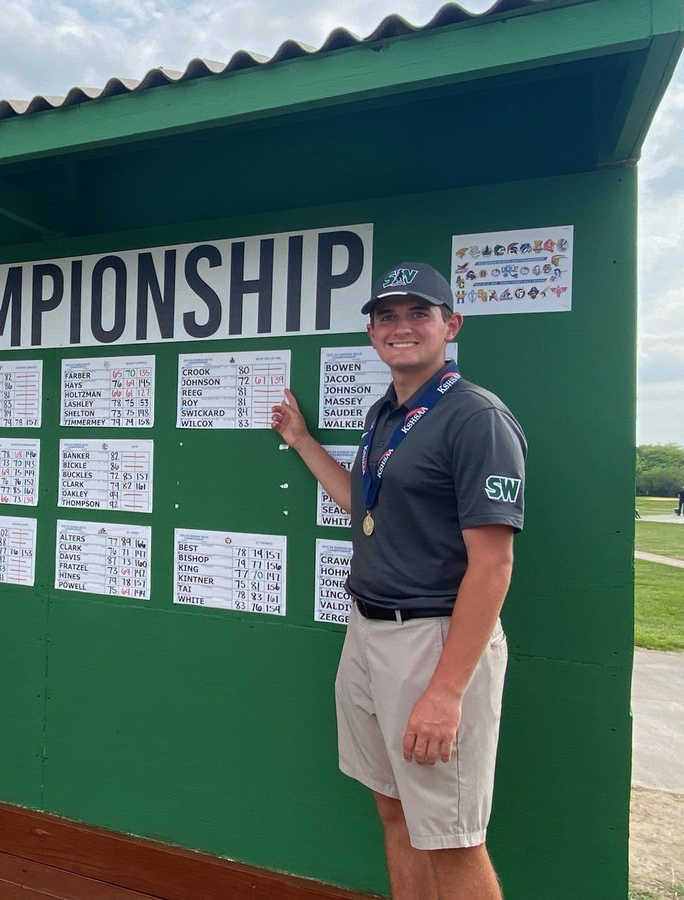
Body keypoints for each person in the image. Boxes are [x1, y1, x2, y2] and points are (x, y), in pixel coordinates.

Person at [272, 261, 526, 900]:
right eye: (387, 315)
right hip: (368, 632)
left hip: (434, 641)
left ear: (451, 325)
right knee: (394, 808)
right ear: (373, 333)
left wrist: (445, 693)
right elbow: (365, 503)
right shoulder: (387, 412)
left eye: (419, 313)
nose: (402, 327)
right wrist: (304, 443)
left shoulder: (477, 418)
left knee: (452, 835)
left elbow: (493, 565)